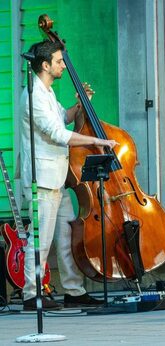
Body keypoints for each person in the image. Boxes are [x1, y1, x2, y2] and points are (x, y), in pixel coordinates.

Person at [19, 40, 117, 310]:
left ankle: (73, 290)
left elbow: (62, 118)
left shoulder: (47, 91)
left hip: (58, 175)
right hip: (43, 177)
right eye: (59, 61)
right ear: (45, 64)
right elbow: (57, 133)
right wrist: (98, 142)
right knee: (40, 238)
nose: (64, 65)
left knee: (65, 237)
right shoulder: (33, 95)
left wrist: (80, 105)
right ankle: (32, 294)